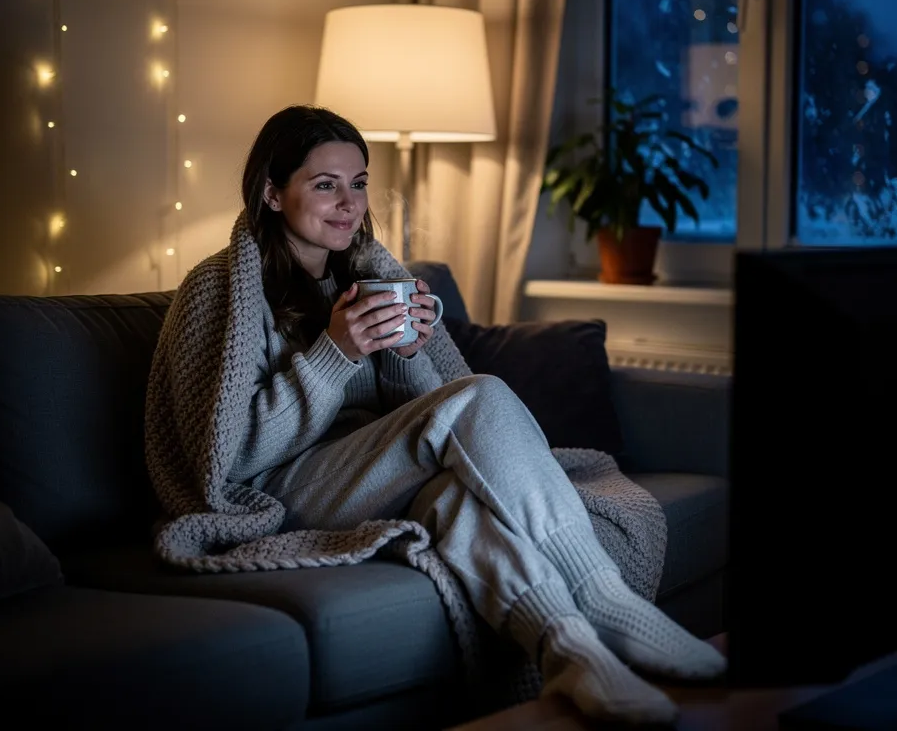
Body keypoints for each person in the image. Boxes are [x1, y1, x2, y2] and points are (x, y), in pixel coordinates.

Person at [156, 105, 725, 725]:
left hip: (363, 474)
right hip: (276, 490)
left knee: (460, 497)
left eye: (359, 181)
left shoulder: (364, 276)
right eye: (325, 184)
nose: (349, 202)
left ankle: (571, 648)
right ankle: (603, 594)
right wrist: (336, 353)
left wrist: (404, 351)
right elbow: (233, 460)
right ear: (271, 191)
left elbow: (415, 419)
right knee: (479, 395)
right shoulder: (220, 288)